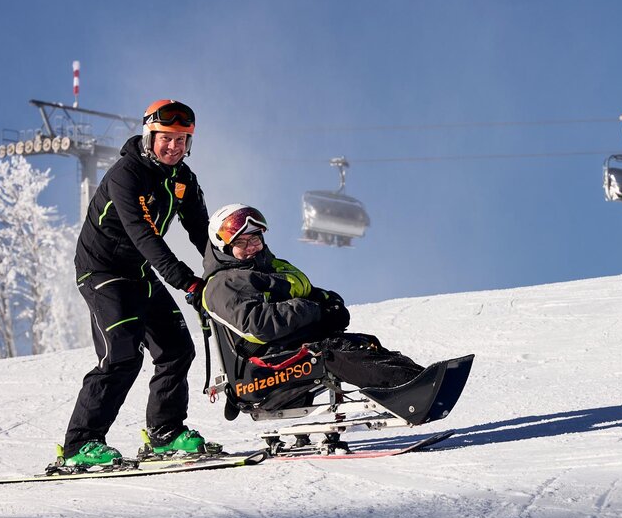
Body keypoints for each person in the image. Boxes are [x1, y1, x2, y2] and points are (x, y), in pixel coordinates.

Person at [60, 99, 212, 468]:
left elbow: (204, 235)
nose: (174, 146)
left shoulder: (183, 180)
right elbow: (145, 236)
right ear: (150, 136)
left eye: (182, 139)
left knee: (177, 350)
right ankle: (80, 445)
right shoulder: (126, 175)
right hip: (103, 272)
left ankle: (165, 434)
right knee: (122, 355)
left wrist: (229, 269)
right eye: (167, 138)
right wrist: (184, 281)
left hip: (139, 271)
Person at [200, 203, 425, 395]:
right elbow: (259, 325)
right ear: (224, 247)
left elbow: (309, 292)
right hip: (264, 367)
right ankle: (413, 389)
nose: (252, 248)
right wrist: (314, 311)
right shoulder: (223, 284)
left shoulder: (272, 267)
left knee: (361, 343)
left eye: (256, 240)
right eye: (241, 243)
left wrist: (329, 304)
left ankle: (420, 378)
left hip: (291, 347)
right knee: (336, 353)